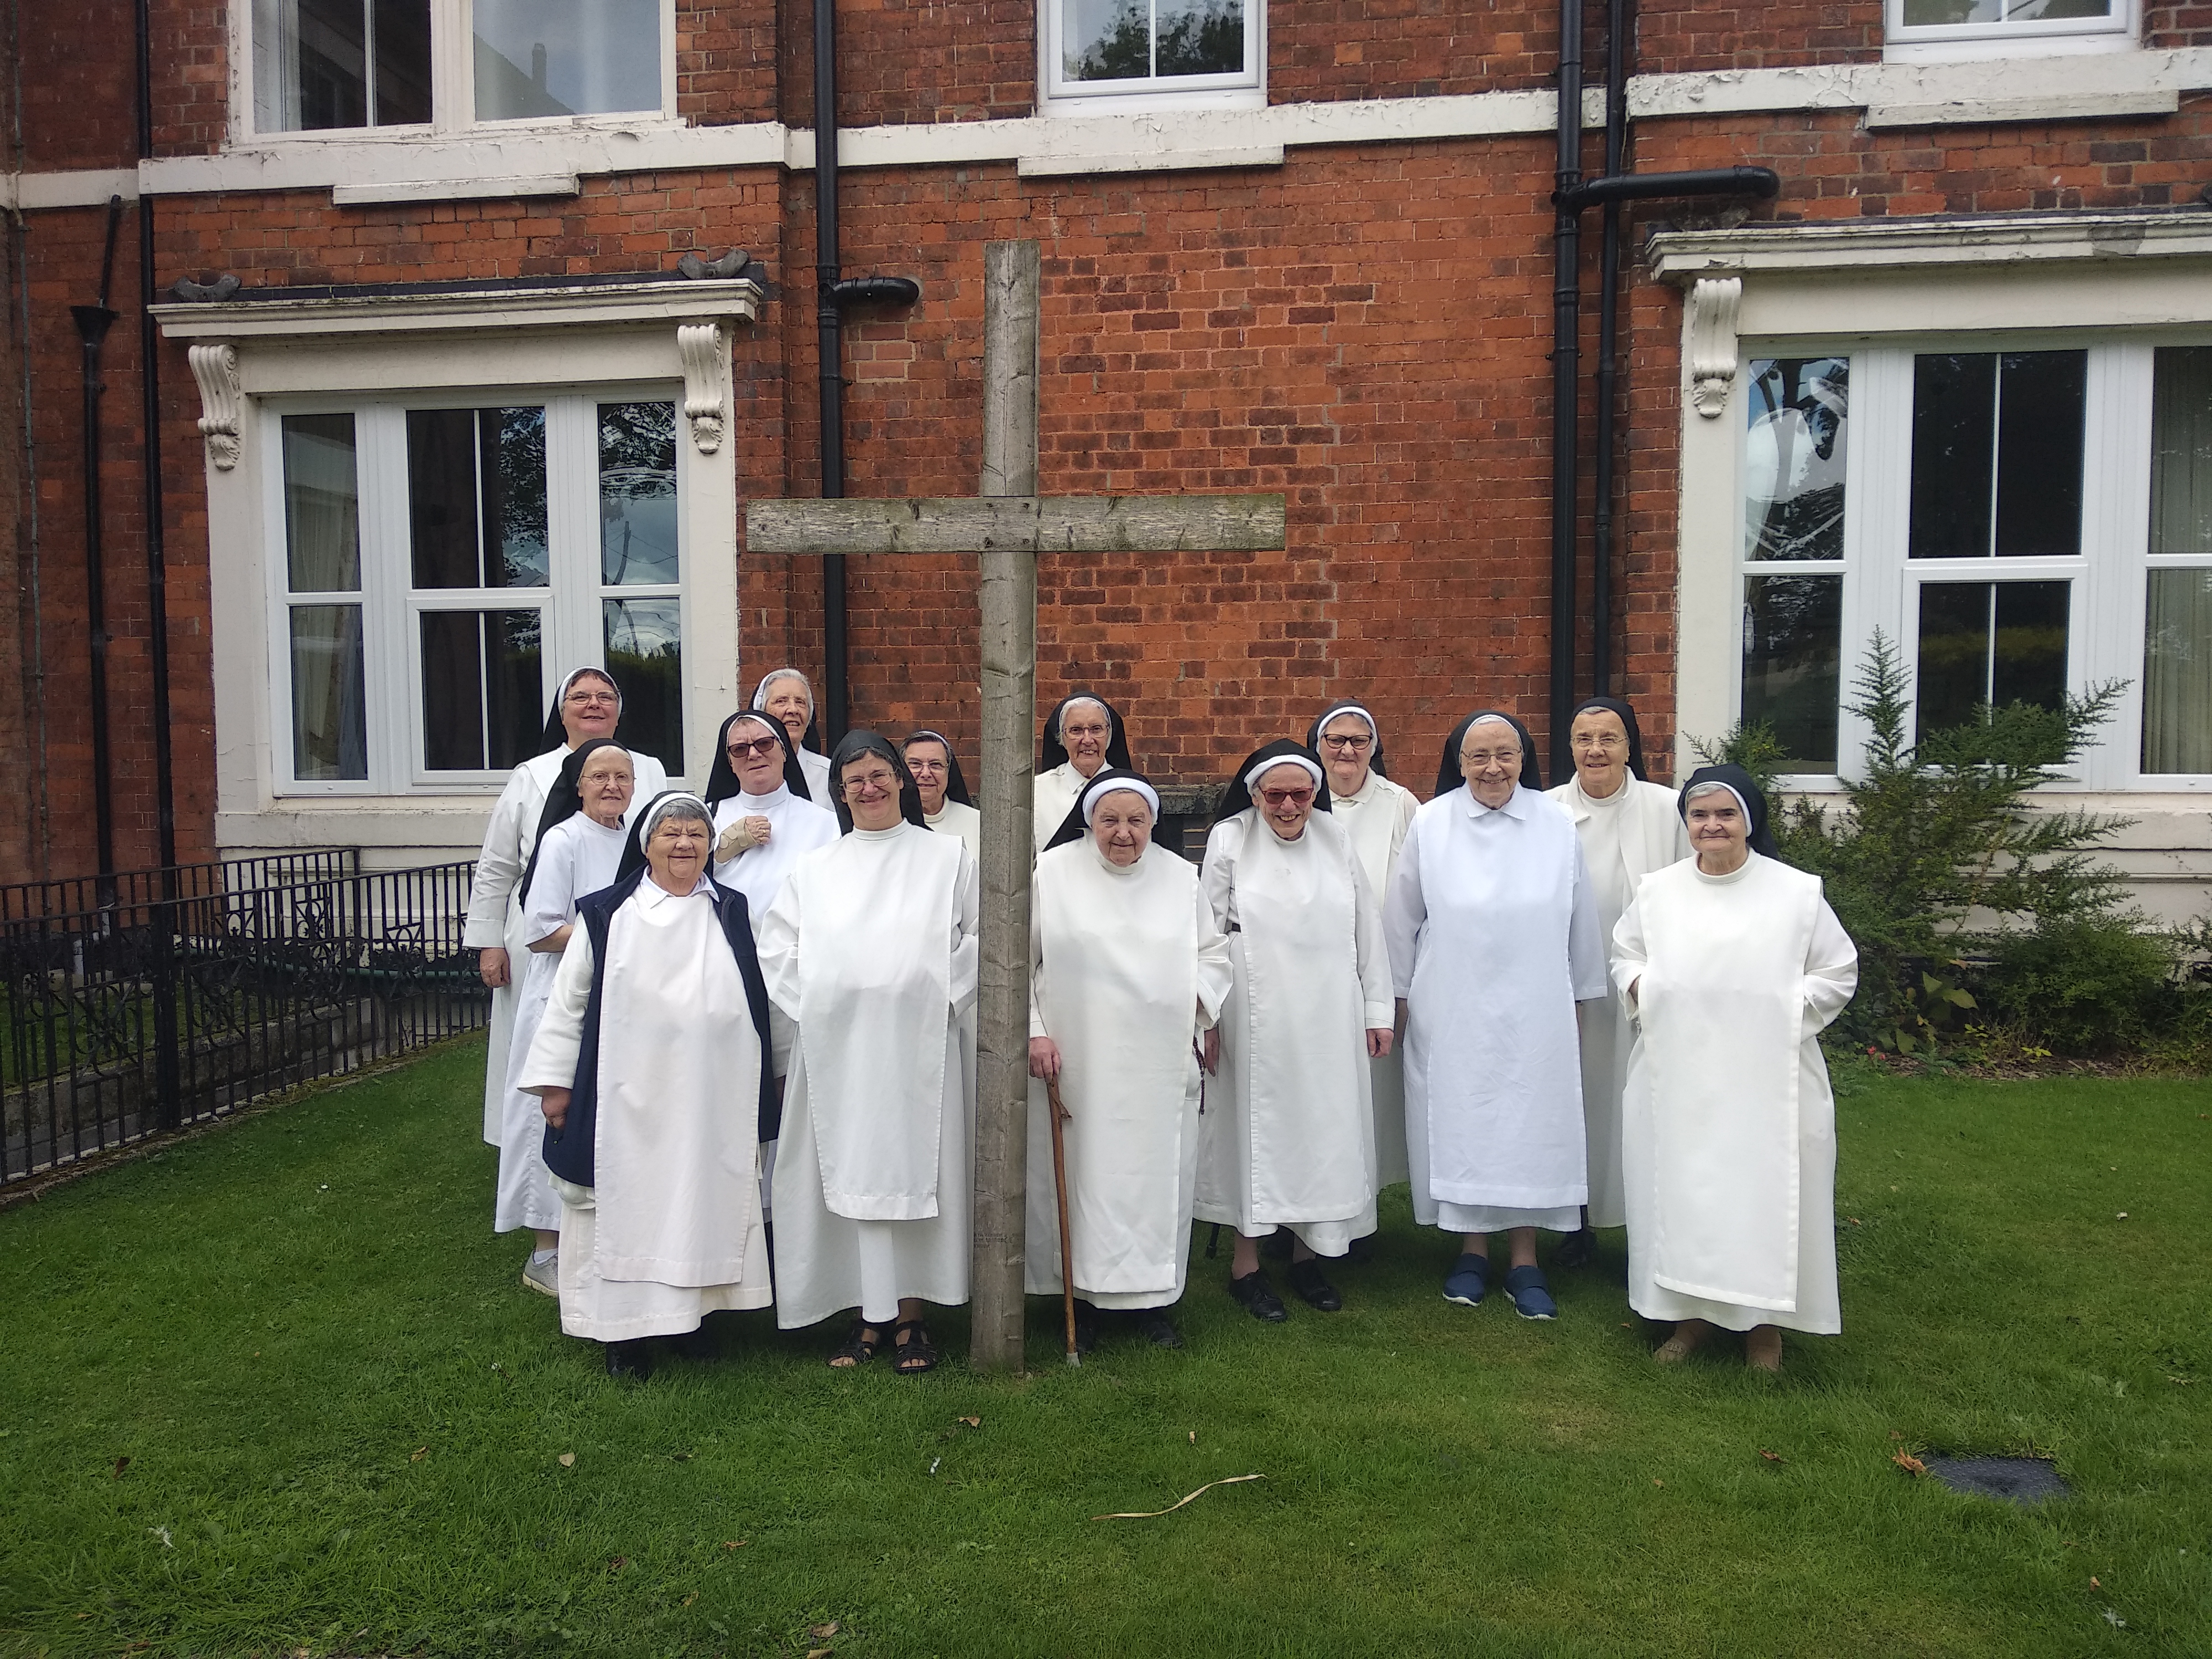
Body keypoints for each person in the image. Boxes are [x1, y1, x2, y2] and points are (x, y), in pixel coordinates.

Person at [518, 792, 778, 1379]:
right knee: (623, 1206)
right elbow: (569, 1003)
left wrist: (774, 1073)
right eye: (670, 834)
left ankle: (693, 1322)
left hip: (712, 1097)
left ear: (711, 844)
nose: (684, 844)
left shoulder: (731, 909)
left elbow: (762, 1000)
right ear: (646, 845)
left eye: (695, 833)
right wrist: (556, 1087)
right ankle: (624, 1336)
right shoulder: (608, 915)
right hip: (626, 1097)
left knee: (702, 1201)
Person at [1612, 765, 1858, 1373]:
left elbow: (1836, 972)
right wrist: (1648, 988)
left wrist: (1772, 1015)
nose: (1712, 825)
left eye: (1726, 814)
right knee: (1685, 1191)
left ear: (1749, 820)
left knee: (1763, 1196)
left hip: (1768, 1077)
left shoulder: (1796, 893)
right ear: (1686, 823)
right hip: (1676, 1073)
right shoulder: (1657, 891)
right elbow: (1625, 955)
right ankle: (1688, 1316)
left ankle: (1763, 1330)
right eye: (1700, 815)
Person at [758, 732, 980, 1374]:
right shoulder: (815, 868)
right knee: (849, 1169)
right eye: (854, 778)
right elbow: (778, 951)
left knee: (915, 1171)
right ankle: (866, 1313)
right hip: (838, 1048)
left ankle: (911, 1317)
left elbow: (979, 934)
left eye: (880, 773)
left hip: (921, 1047)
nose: (869, 786)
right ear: (840, 791)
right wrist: (822, 1003)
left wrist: (938, 997)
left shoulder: (949, 857)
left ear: (903, 782)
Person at [1384, 710, 1606, 1321]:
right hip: (1453, 1002)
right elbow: (1400, 917)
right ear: (1458, 762)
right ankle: (1472, 1250)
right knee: (1464, 1119)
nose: (1491, 768)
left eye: (1504, 754)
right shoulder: (1432, 823)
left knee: (1531, 1121)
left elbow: (1580, 913)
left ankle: (1526, 1257)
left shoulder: (1556, 823)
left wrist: (1583, 994)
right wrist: (1395, 997)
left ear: (1524, 758)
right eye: (1478, 756)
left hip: (1535, 1004)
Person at [462, 666, 668, 1280]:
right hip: (553, 965)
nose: (594, 704)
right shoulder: (534, 783)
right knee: (547, 1087)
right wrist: (485, 943)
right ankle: (546, 1243)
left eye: (605, 696)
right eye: (580, 696)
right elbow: (501, 867)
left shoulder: (652, 770)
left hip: (634, 968)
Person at [1027, 769, 1233, 1352]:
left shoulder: (1180, 878)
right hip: (1079, 1056)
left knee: (1154, 1178)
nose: (1123, 834)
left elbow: (1213, 958)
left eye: (1135, 821)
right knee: (1083, 1177)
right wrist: (1036, 1033)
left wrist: (1187, 1003)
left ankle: (1152, 1302)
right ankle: (1081, 1300)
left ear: (1152, 824)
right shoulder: (1054, 873)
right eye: (1109, 821)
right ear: (1088, 822)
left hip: (1155, 1060)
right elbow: (1023, 963)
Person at [1194, 740, 1395, 1321]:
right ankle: (1246, 1266)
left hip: (1329, 1012)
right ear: (1254, 795)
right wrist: (1205, 1016)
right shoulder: (1230, 838)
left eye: (1299, 794)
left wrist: (1376, 1010)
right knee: (1254, 1133)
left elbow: (1367, 928)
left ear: (1315, 794)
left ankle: (1310, 1256)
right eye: (1274, 795)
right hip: (1253, 1014)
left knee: (1321, 1130)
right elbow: (1204, 933)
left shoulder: (1335, 838)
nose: (1287, 807)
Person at [1545, 697, 1690, 1265]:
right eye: (1584, 739)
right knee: (1576, 1101)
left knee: (1646, 1102)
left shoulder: (1669, 809)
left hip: (1649, 984)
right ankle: (1574, 1225)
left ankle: (1651, 1226)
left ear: (1631, 746)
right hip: (1568, 986)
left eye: (1608, 738)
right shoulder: (1547, 811)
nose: (1595, 750)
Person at [497, 740, 635, 1295]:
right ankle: (544, 1252)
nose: (611, 786)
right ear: (577, 785)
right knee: (550, 1117)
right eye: (598, 775)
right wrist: (617, 935)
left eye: (621, 776)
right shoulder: (563, 840)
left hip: (615, 994)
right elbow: (541, 930)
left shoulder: (632, 838)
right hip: (561, 995)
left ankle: (593, 1236)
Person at [1306, 701, 1422, 1192]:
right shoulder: (1299, 797)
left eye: (1358, 741)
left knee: (1370, 1097)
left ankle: (1361, 1205)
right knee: (1315, 1094)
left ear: (1374, 748)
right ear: (1319, 747)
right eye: (1336, 740)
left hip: (1377, 969)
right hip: (1311, 971)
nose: (1347, 750)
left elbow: (1413, 893)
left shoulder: (1400, 804)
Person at [703, 711, 838, 916]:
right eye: (740, 749)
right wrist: (724, 848)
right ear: (729, 762)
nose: (754, 754)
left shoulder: (825, 824)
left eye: (764, 743)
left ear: (784, 751)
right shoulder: (705, 820)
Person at [1033, 692, 1133, 855]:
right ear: (1062, 738)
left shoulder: (1133, 790)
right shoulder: (1036, 792)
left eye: (1096, 729)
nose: (1087, 740)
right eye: (1076, 730)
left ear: (1108, 736)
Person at [751, 667, 833, 802]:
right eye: (781, 701)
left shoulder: (828, 775)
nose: (793, 710)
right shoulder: (747, 772)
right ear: (762, 713)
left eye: (800, 702)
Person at [904, 729, 982, 859]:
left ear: (948, 772)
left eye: (936, 765)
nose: (926, 774)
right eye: (915, 764)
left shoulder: (978, 822)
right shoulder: (889, 823)